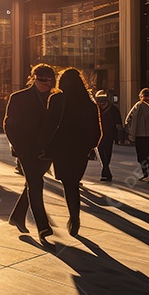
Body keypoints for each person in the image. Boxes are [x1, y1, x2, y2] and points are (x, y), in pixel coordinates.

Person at [40, 69, 102, 236]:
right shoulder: (89, 104)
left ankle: (74, 217)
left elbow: (48, 125)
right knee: (73, 182)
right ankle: (75, 217)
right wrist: (88, 147)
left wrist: (45, 146)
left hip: (61, 149)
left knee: (68, 184)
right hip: (80, 150)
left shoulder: (56, 99)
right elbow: (97, 131)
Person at [4, 64, 56, 240]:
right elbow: (9, 125)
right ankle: (43, 226)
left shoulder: (55, 98)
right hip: (26, 150)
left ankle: (17, 216)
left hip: (46, 152)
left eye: (50, 81)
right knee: (36, 184)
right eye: (43, 80)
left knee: (32, 183)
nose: (46, 84)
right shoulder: (18, 98)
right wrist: (19, 149)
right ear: (34, 78)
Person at [124, 88, 149, 182]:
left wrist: (130, 131)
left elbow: (129, 119)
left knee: (142, 155)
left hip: (140, 135)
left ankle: (146, 173)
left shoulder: (138, 105)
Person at [95, 90, 122, 182]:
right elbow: (118, 124)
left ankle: (105, 170)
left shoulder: (97, 109)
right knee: (105, 152)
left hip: (104, 135)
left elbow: (118, 123)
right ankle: (106, 169)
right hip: (106, 135)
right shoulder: (113, 109)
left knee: (104, 152)